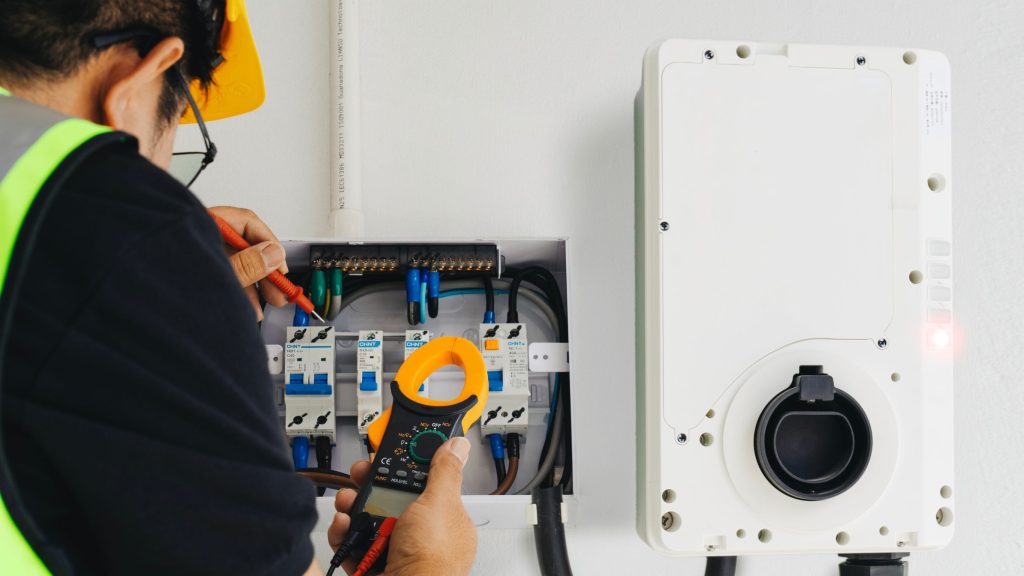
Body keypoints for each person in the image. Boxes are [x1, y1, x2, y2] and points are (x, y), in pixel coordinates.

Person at [0, 1, 475, 574]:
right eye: (180, 134)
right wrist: (427, 568)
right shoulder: (123, 227)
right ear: (144, 75)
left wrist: (164, 304)